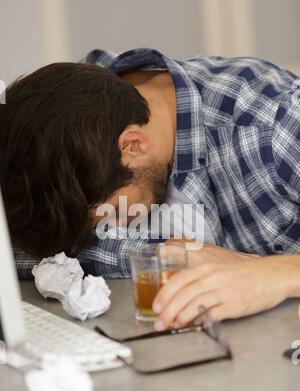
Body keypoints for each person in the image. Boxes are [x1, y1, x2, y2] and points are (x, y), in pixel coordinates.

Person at [0, 48, 300, 326]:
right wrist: (170, 254)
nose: (108, 228)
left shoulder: (275, 123)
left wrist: (273, 274)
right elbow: (22, 250)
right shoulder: (64, 124)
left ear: (133, 144)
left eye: (107, 215)